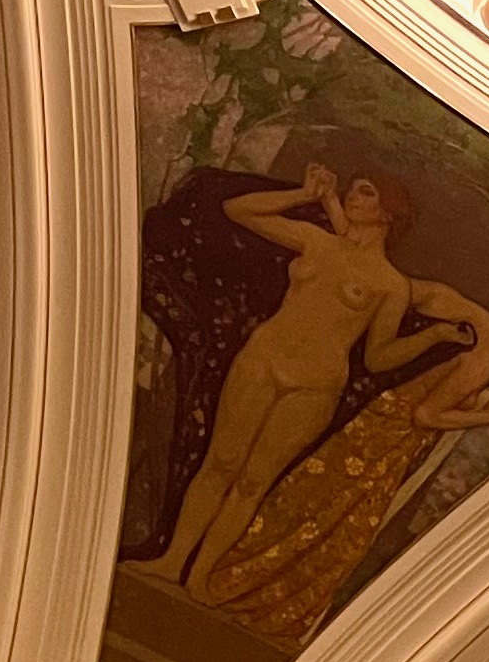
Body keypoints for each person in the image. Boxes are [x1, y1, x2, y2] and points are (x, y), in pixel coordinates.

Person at [196, 285, 489, 647]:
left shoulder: (470, 314)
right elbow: (425, 414)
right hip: (386, 440)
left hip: (375, 418)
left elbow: (417, 295)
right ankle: (253, 594)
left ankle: (240, 583)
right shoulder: (484, 360)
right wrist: (481, 419)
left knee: (311, 503)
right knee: (335, 527)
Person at [130, 168, 434, 599]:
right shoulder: (317, 241)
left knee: (254, 480)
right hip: (263, 360)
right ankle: (172, 561)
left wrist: (431, 338)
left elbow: (378, 356)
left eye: (364, 192)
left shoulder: (390, 285)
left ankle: (199, 575)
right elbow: (239, 210)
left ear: (387, 213)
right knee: (220, 463)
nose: (351, 196)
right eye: (352, 188)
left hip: (315, 384)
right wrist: (303, 192)